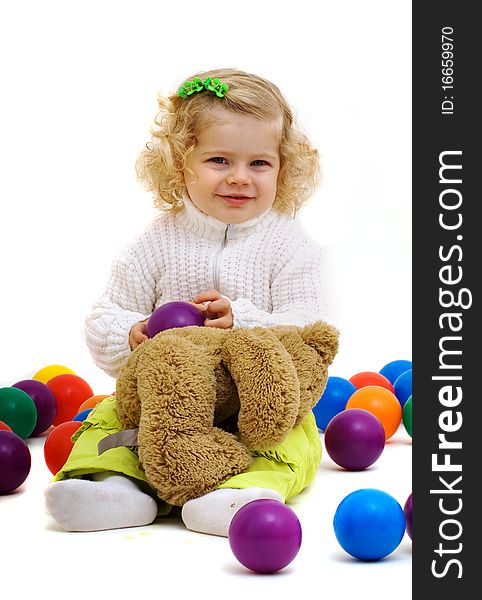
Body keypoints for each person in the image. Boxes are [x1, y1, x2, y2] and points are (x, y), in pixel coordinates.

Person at [45, 68, 331, 535]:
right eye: (220, 160)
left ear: (283, 166)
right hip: (169, 400)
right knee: (109, 416)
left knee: (294, 436)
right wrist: (132, 333)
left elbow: (311, 327)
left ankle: (240, 494)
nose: (240, 178)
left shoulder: (289, 245)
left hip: (255, 404)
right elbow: (104, 316)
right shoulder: (157, 243)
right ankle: (115, 487)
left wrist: (243, 320)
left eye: (259, 163)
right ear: (182, 164)